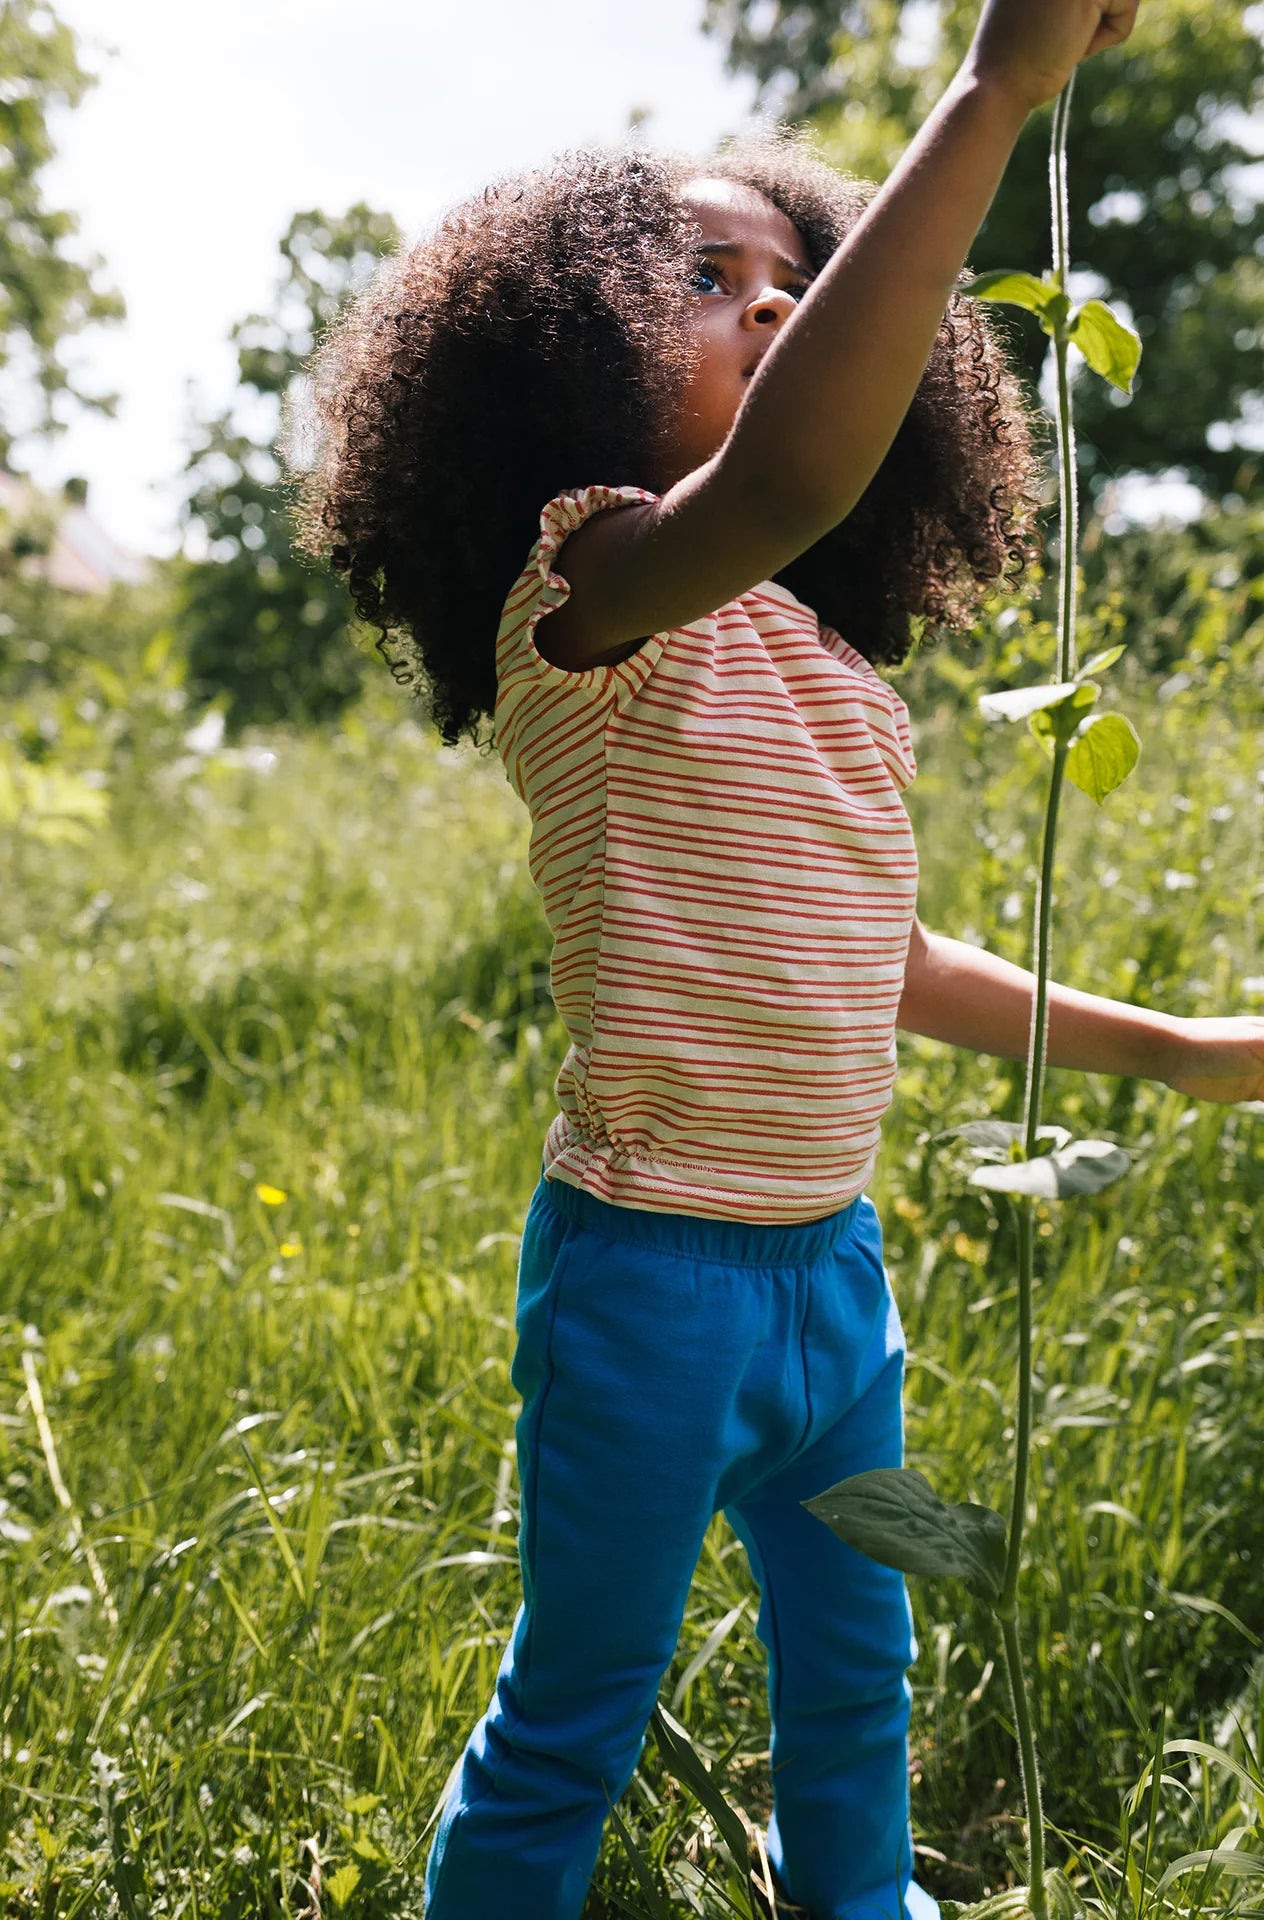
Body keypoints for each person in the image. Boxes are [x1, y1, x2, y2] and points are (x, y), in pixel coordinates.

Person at [289, 0, 1264, 1912]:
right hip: (646, 1289)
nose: (765, 305)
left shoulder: (825, 669)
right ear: (556, 357)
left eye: (791, 281)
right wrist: (993, 97)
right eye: (705, 277)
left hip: (844, 1294)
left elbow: (874, 952)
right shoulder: (586, 592)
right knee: (581, 1694)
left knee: (865, 1673)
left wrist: (1188, 1049)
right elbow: (790, 481)